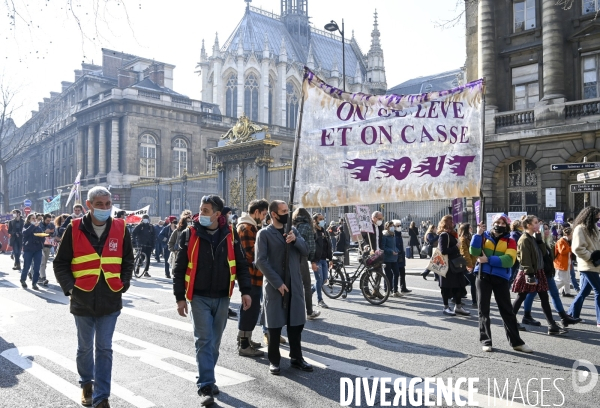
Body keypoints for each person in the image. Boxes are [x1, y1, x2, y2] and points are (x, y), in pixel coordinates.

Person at [54, 186, 134, 408]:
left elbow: (128, 259)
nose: (105, 208)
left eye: (108, 204)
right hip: (82, 299)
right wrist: (71, 289)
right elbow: (60, 263)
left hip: (111, 298)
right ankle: (86, 383)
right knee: (85, 348)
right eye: (100, 204)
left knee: (105, 348)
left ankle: (102, 397)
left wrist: (124, 283)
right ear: (89, 205)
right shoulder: (74, 227)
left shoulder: (121, 227)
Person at [173, 195, 251, 406]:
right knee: (204, 340)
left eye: (206, 210)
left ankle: (207, 375)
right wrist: (180, 298)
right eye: (201, 209)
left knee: (214, 343)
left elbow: (241, 265)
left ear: (217, 214)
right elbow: (179, 269)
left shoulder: (231, 234)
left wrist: (246, 291)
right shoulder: (190, 233)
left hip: (222, 297)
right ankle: (206, 384)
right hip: (198, 297)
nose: (201, 214)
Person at [255, 200, 311, 376]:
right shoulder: (264, 234)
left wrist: (295, 241)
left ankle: (296, 358)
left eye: (288, 210)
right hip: (275, 286)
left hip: (294, 284)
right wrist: (277, 283)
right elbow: (260, 261)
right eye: (283, 210)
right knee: (275, 326)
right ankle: (274, 360)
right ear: (273, 214)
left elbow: (306, 250)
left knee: (296, 325)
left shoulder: (292, 231)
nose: (287, 213)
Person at [469, 215, 533, 353]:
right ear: (492, 223)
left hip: (501, 277)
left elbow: (509, 260)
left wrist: (488, 259)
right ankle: (486, 341)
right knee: (483, 310)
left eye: (503, 223)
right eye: (497, 222)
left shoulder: (510, 240)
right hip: (483, 275)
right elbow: (474, 251)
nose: (499, 224)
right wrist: (478, 234)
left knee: (507, 311)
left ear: (507, 225)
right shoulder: (484, 237)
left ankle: (517, 343)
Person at [512, 215, 567, 335]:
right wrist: (530, 274)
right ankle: (510, 320)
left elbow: (543, 253)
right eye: (536, 223)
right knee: (521, 296)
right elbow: (524, 259)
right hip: (530, 272)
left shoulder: (533, 237)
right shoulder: (524, 239)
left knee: (544, 298)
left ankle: (552, 325)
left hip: (539, 271)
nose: (538, 225)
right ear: (528, 225)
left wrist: (539, 240)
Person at [235, 199, 270, 357]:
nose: (264, 218)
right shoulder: (246, 228)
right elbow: (250, 255)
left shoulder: (250, 226)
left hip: (253, 276)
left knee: (251, 309)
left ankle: (245, 339)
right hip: (251, 276)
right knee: (250, 309)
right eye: (263, 214)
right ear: (256, 212)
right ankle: (243, 344)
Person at [567, 206, 600, 327]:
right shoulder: (580, 228)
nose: (598, 218)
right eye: (597, 216)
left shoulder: (594, 228)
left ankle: (571, 314)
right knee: (599, 291)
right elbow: (577, 248)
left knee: (584, 292)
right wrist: (591, 256)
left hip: (594, 264)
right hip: (587, 265)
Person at [437, 215, 469, 316]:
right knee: (446, 287)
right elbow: (443, 251)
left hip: (455, 265)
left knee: (459, 286)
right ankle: (446, 307)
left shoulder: (452, 234)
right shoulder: (444, 235)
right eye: (452, 222)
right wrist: (456, 247)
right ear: (447, 223)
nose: (454, 223)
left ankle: (458, 307)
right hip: (448, 266)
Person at [292, 208, 321, 320]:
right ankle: (309, 311)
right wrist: (312, 260)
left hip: (291, 258)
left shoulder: (292, 225)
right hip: (302, 258)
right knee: (307, 285)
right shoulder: (307, 226)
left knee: (293, 285)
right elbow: (311, 245)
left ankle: (291, 311)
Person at [312, 212, 332, 309]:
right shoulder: (313, 232)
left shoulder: (325, 232)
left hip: (324, 260)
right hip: (317, 260)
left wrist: (331, 259)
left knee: (324, 280)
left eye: (323, 219)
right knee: (319, 280)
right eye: (320, 219)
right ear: (315, 221)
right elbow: (311, 247)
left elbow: (329, 246)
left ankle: (310, 290)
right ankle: (320, 300)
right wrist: (312, 261)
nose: (322, 221)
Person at [20, 214, 44, 289]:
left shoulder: (38, 227)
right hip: (28, 249)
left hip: (37, 249)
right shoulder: (26, 226)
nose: (34, 219)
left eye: (35, 218)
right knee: (26, 266)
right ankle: (23, 280)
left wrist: (42, 238)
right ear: (29, 219)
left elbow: (42, 237)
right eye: (32, 218)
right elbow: (25, 233)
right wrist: (32, 226)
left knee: (37, 267)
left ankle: (34, 283)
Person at [458, 223, 478, 306]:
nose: (471, 228)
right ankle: (475, 301)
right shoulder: (463, 239)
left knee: (465, 282)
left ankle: (457, 295)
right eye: (470, 227)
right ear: (466, 229)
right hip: (466, 264)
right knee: (474, 282)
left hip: (473, 262)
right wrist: (469, 265)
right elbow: (465, 253)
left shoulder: (470, 237)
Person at [382, 221, 400, 297]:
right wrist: (391, 251)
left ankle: (395, 290)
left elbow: (394, 246)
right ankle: (387, 290)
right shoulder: (385, 235)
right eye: (391, 226)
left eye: (393, 226)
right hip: (387, 258)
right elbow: (383, 247)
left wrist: (397, 250)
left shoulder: (393, 235)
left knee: (396, 273)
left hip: (394, 258)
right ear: (387, 227)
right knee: (388, 275)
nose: (392, 227)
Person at [554, 227, 574, 297]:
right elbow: (562, 251)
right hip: (561, 263)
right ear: (569, 234)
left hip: (565, 263)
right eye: (572, 234)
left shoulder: (565, 241)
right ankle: (553, 290)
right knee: (561, 280)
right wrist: (571, 248)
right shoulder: (561, 241)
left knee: (567, 278)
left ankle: (566, 292)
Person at [38, 213, 55, 286]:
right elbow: (37, 234)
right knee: (42, 262)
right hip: (40, 246)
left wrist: (51, 233)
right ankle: (43, 278)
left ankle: (36, 274)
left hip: (48, 245)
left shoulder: (51, 225)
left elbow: (54, 233)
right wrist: (45, 232)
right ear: (43, 219)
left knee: (44, 263)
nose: (48, 222)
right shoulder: (39, 225)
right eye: (47, 220)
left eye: (49, 220)